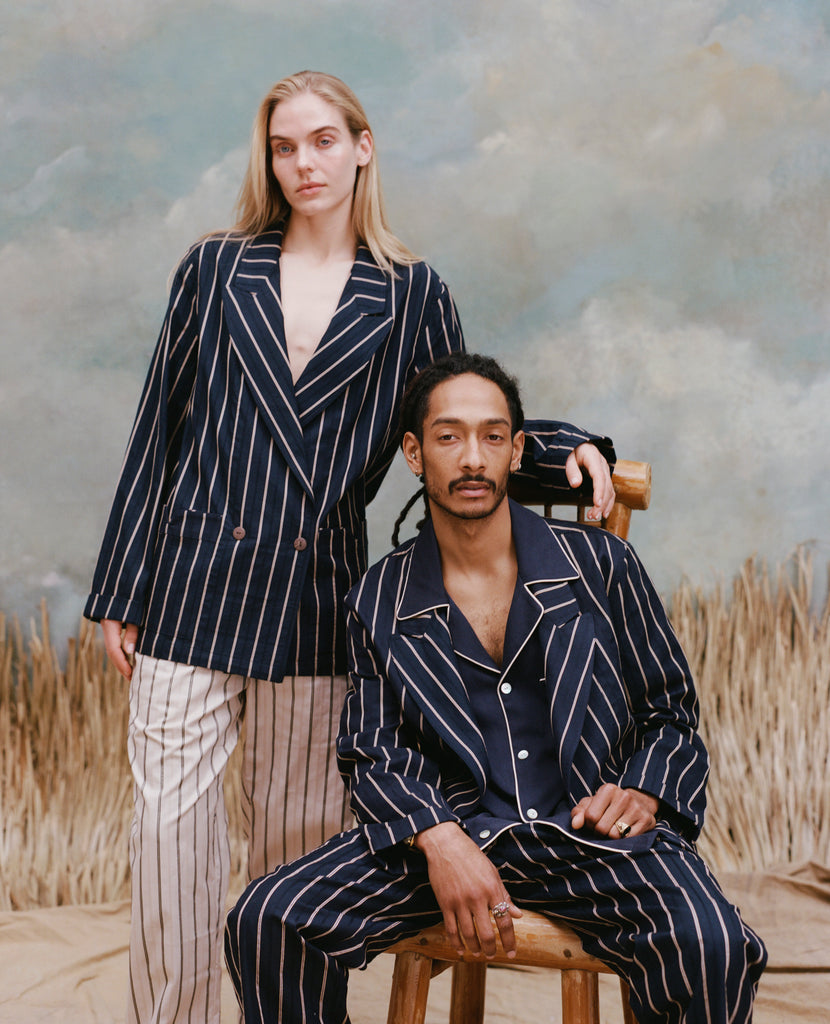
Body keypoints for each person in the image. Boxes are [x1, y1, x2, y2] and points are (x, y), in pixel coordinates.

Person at [84, 74, 616, 1023]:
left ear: (363, 148)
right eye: (286, 148)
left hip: (316, 601)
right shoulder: (213, 269)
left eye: (324, 142)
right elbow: (156, 431)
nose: (304, 165)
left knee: (294, 848)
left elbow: (459, 420)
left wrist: (573, 447)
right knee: (171, 846)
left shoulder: (412, 292)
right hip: (187, 587)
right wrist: (119, 589)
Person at [225, 352, 767, 1024]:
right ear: (415, 456)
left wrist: (647, 788)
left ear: (517, 451)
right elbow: (372, 749)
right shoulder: (380, 597)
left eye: (491, 436)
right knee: (269, 917)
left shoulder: (601, 565)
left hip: (589, 834)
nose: (472, 459)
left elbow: (669, 711)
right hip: (456, 837)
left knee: (711, 947)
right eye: (449, 437)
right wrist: (438, 839)